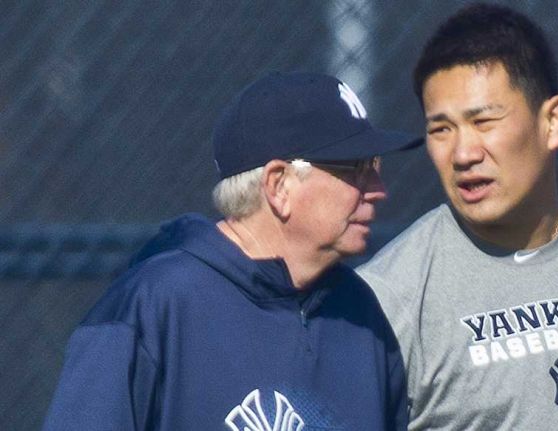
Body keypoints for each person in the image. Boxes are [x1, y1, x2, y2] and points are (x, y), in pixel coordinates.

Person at [356, 3, 558, 430]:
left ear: (552, 122)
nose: (463, 153)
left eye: (485, 121)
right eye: (441, 129)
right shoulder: (388, 298)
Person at [43, 72, 421, 431]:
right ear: (279, 185)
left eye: (375, 166)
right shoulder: (154, 305)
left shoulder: (360, 313)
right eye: (355, 169)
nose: (377, 190)